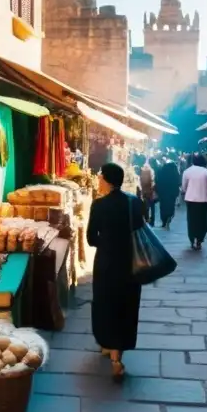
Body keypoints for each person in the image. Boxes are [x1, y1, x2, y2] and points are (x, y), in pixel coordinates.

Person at [86, 163, 145, 381]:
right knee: (126, 305)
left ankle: (110, 350)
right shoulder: (135, 203)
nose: (98, 181)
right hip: (131, 263)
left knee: (105, 303)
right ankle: (117, 353)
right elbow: (140, 230)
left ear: (108, 180)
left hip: (107, 262)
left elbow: (91, 238)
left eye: (100, 177)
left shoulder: (99, 205)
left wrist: (107, 242)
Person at [181, 153, 207, 250]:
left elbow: (184, 187)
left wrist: (185, 192)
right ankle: (200, 239)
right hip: (203, 200)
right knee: (202, 221)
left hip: (190, 199)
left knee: (191, 220)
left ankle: (192, 239)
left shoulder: (187, 172)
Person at [156, 158, 181, 230]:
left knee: (163, 207)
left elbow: (157, 181)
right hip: (172, 194)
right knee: (171, 206)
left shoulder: (161, 171)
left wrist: (158, 191)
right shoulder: (175, 173)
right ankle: (169, 217)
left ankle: (163, 221)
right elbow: (178, 183)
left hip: (163, 193)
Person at [139, 159, 157, 226]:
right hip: (151, 192)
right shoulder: (151, 171)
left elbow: (140, 181)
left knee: (145, 206)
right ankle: (152, 222)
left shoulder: (142, 171)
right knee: (152, 207)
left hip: (144, 191)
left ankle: (146, 219)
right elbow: (153, 182)